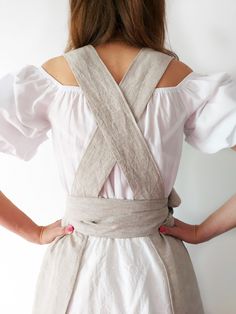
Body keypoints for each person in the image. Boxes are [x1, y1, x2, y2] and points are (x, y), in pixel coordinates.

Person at [1, 0, 236, 313]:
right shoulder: (180, 80)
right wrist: (200, 231)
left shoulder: (53, 78)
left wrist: (35, 232)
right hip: (157, 274)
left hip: (77, 275)